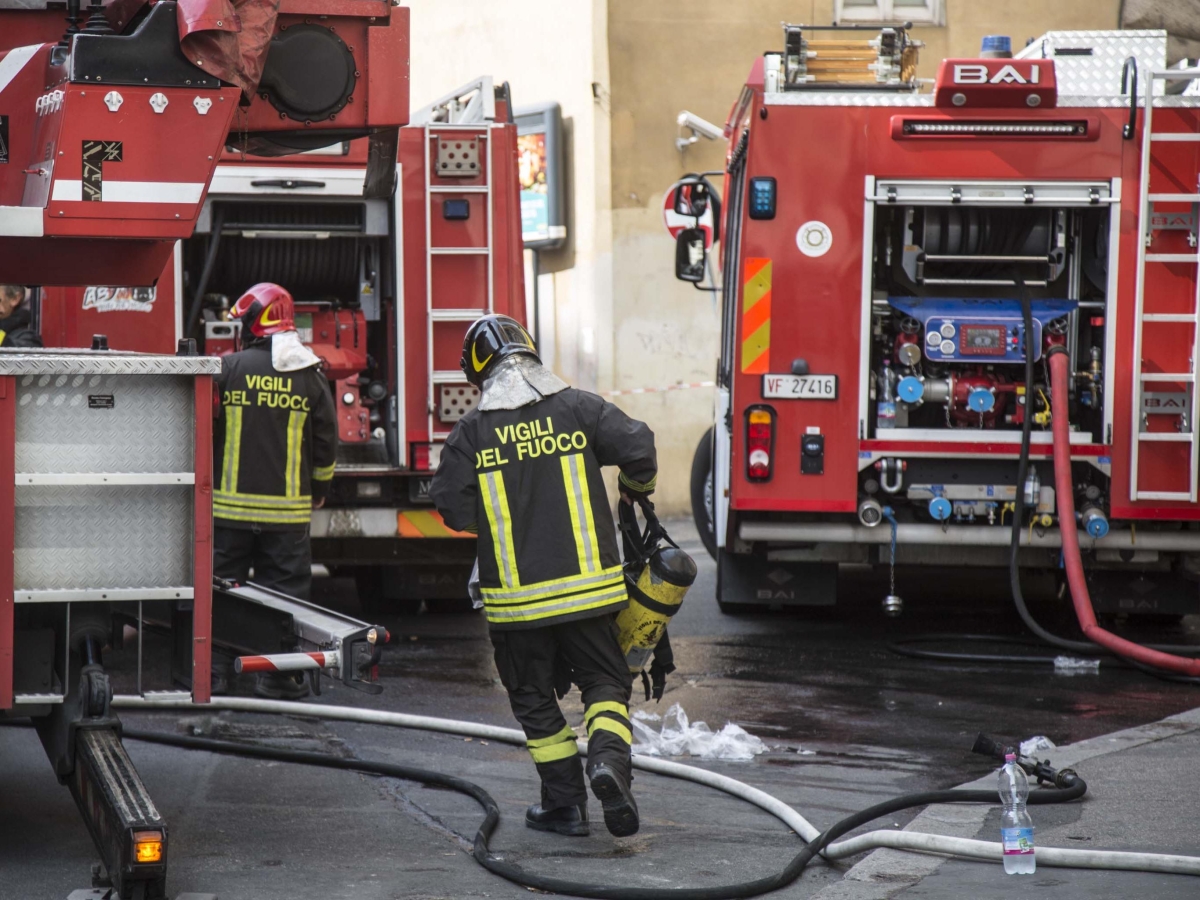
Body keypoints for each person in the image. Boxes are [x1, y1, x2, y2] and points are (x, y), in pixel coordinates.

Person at [430, 315, 658, 839]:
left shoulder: (472, 431)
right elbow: (640, 451)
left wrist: (498, 514)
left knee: (533, 697)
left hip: (517, 608)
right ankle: (608, 765)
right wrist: (632, 488)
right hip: (592, 597)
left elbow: (452, 507)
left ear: (479, 371)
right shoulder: (579, 408)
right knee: (605, 685)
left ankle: (564, 805)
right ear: (530, 352)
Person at [212, 282, 337, 699]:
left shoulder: (227, 370)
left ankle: (214, 674)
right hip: (286, 518)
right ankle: (279, 677)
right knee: (284, 599)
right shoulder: (310, 375)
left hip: (227, 512)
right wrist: (319, 488)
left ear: (254, 324)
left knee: (221, 591)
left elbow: (206, 433)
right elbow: (325, 443)